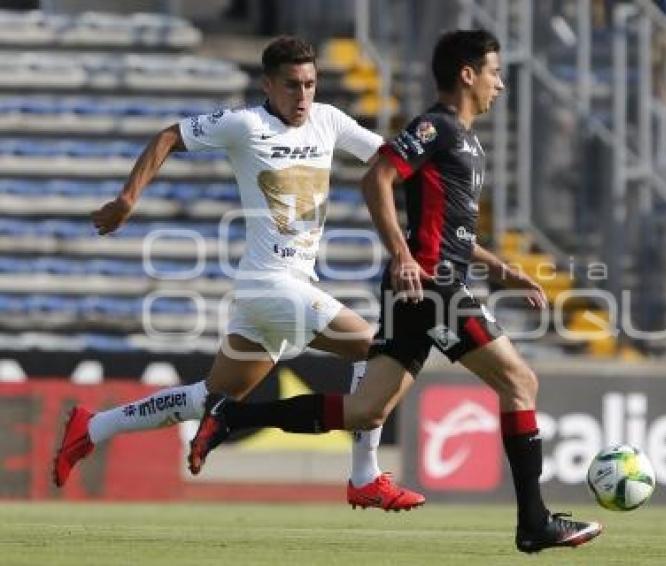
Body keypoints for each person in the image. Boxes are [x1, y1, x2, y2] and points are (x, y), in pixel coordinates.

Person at [188, 29, 603, 553]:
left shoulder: (468, 141)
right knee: (519, 381)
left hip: (428, 282)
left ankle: (232, 415)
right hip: (431, 284)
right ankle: (534, 522)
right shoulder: (436, 127)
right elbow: (376, 179)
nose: (501, 84)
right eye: (495, 72)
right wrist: (404, 257)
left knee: (365, 411)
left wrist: (503, 269)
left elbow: (452, 232)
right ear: (467, 74)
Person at [51, 35, 424, 512]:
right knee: (376, 350)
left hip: (280, 294)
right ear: (268, 84)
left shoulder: (329, 120)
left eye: (310, 84)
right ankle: (364, 475)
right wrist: (128, 198)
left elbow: (391, 161)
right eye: (292, 85)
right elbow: (169, 136)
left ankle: (93, 426)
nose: (303, 95)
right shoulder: (244, 125)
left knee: (207, 399)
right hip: (271, 285)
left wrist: (435, 151)